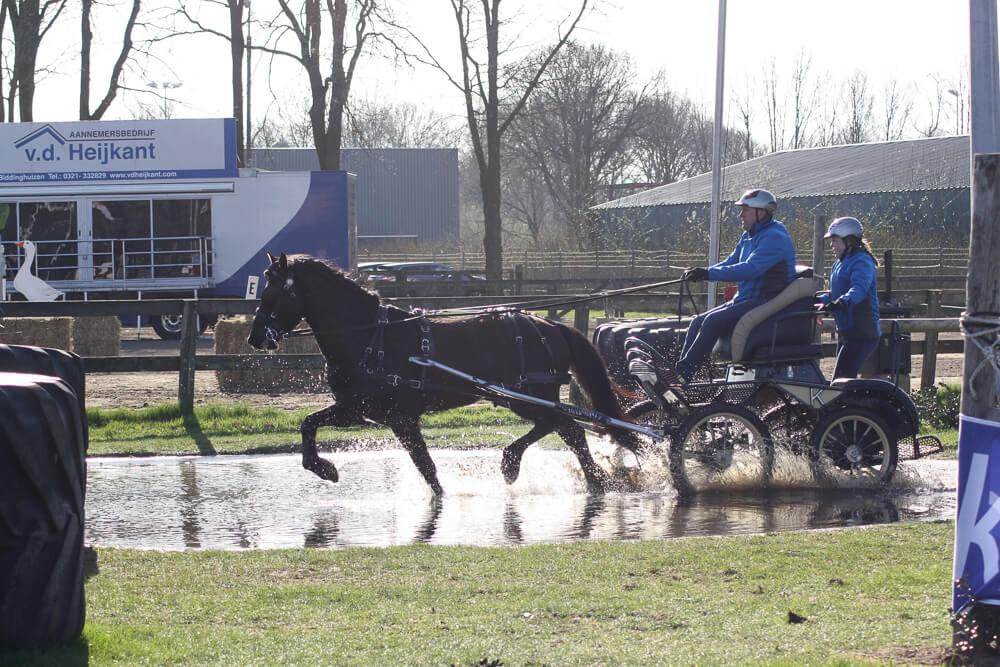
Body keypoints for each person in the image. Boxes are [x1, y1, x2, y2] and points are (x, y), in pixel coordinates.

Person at [673, 188, 797, 382]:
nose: (740, 215)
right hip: (746, 299)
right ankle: (680, 374)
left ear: (761, 212)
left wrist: (708, 274)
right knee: (697, 322)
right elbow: (731, 262)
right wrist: (702, 272)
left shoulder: (774, 237)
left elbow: (750, 269)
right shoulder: (748, 235)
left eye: (745, 210)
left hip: (766, 300)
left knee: (712, 322)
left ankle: (682, 377)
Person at [815, 216, 881, 379]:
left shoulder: (862, 261)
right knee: (841, 380)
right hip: (847, 332)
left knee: (841, 380)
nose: (832, 245)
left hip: (862, 333)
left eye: (835, 241)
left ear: (848, 241)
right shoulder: (839, 263)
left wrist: (841, 303)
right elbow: (835, 293)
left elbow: (859, 290)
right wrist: (819, 300)